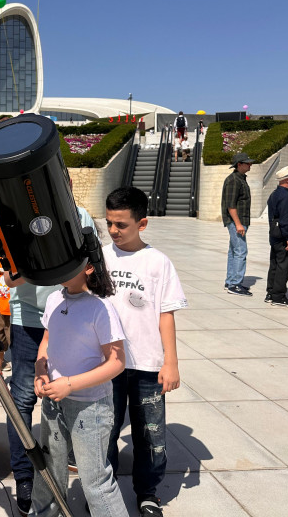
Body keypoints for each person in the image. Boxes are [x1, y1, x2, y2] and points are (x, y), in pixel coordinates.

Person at [5, 204, 98, 515]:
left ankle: (63, 458)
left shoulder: (81, 217)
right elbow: (10, 279)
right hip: (29, 317)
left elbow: (91, 269)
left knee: (65, 393)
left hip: (69, 315)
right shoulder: (20, 221)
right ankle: (24, 476)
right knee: (21, 398)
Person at [104, 187, 187, 517]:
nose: (114, 231)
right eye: (109, 223)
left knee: (150, 433)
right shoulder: (100, 257)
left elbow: (166, 314)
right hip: (105, 365)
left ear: (142, 223)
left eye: (121, 225)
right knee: (104, 433)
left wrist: (171, 362)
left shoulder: (157, 262)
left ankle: (148, 492)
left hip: (147, 365)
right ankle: (103, 491)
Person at [30, 261, 128, 517]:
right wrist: (40, 370)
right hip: (54, 401)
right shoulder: (53, 299)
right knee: (48, 470)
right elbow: (47, 341)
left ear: (89, 268)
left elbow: (117, 362)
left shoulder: (100, 307)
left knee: (95, 481)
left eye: (68, 263)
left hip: (90, 408)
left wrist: (70, 384)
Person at [266, 166, 288, 307]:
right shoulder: (286, 197)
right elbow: (285, 219)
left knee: (275, 264)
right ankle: (278, 296)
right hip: (284, 237)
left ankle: (271, 292)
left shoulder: (275, 194)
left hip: (275, 235)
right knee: (284, 266)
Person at [221, 152, 255, 296]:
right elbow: (231, 205)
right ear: (239, 165)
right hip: (237, 221)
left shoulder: (240, 179)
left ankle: (231, 281)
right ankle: (235, 284)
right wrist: (238, 224)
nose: (250, 165)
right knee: (241, 251)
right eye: (247, 163)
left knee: (234, 251)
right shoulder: (234, 180)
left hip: (239, 221)